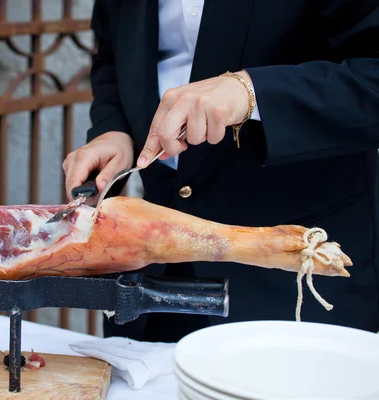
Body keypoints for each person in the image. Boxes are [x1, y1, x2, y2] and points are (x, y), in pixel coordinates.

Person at [63, 0, 379, 342]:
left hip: (290, 277)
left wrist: (252, 92)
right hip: (153, 275)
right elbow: (111, 53)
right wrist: (114, 130)